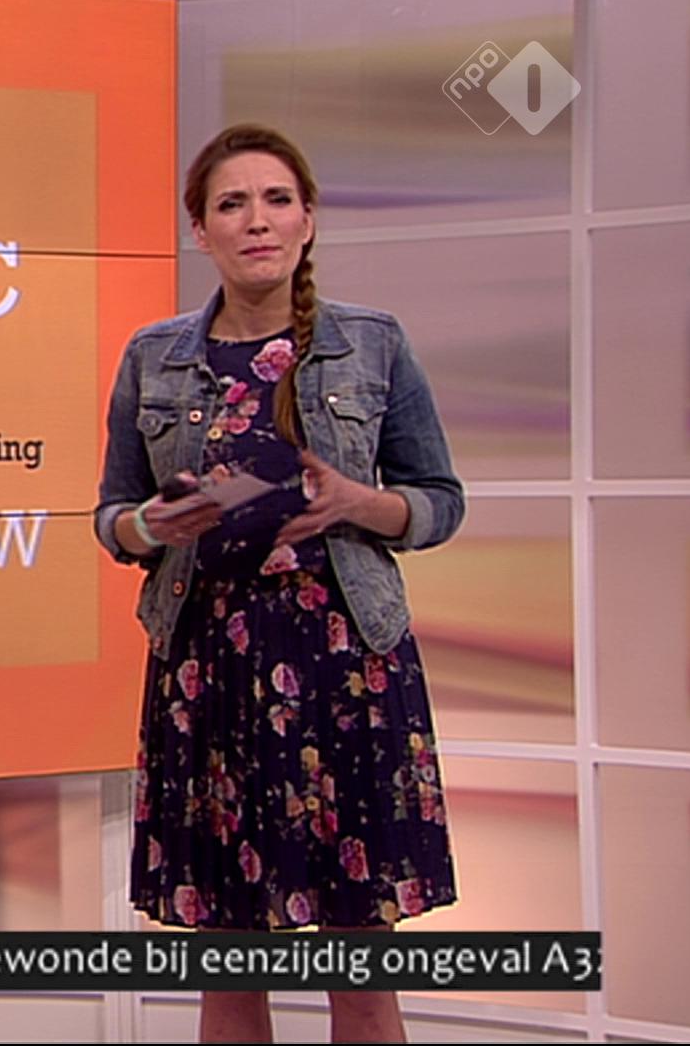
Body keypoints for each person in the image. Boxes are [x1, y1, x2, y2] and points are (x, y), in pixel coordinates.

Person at [94, 123, 466, 1043]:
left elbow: (439, 501)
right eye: (232, 204)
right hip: (208, 676)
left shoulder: (372, 344)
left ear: (307, 219)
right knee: (230, 977)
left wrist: (357, 503)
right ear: (201, 230)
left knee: (361, 977)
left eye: (276, 200)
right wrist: (152, 528)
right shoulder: (153, 357)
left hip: (347, 669)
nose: (256, 220)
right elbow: (113, 516)